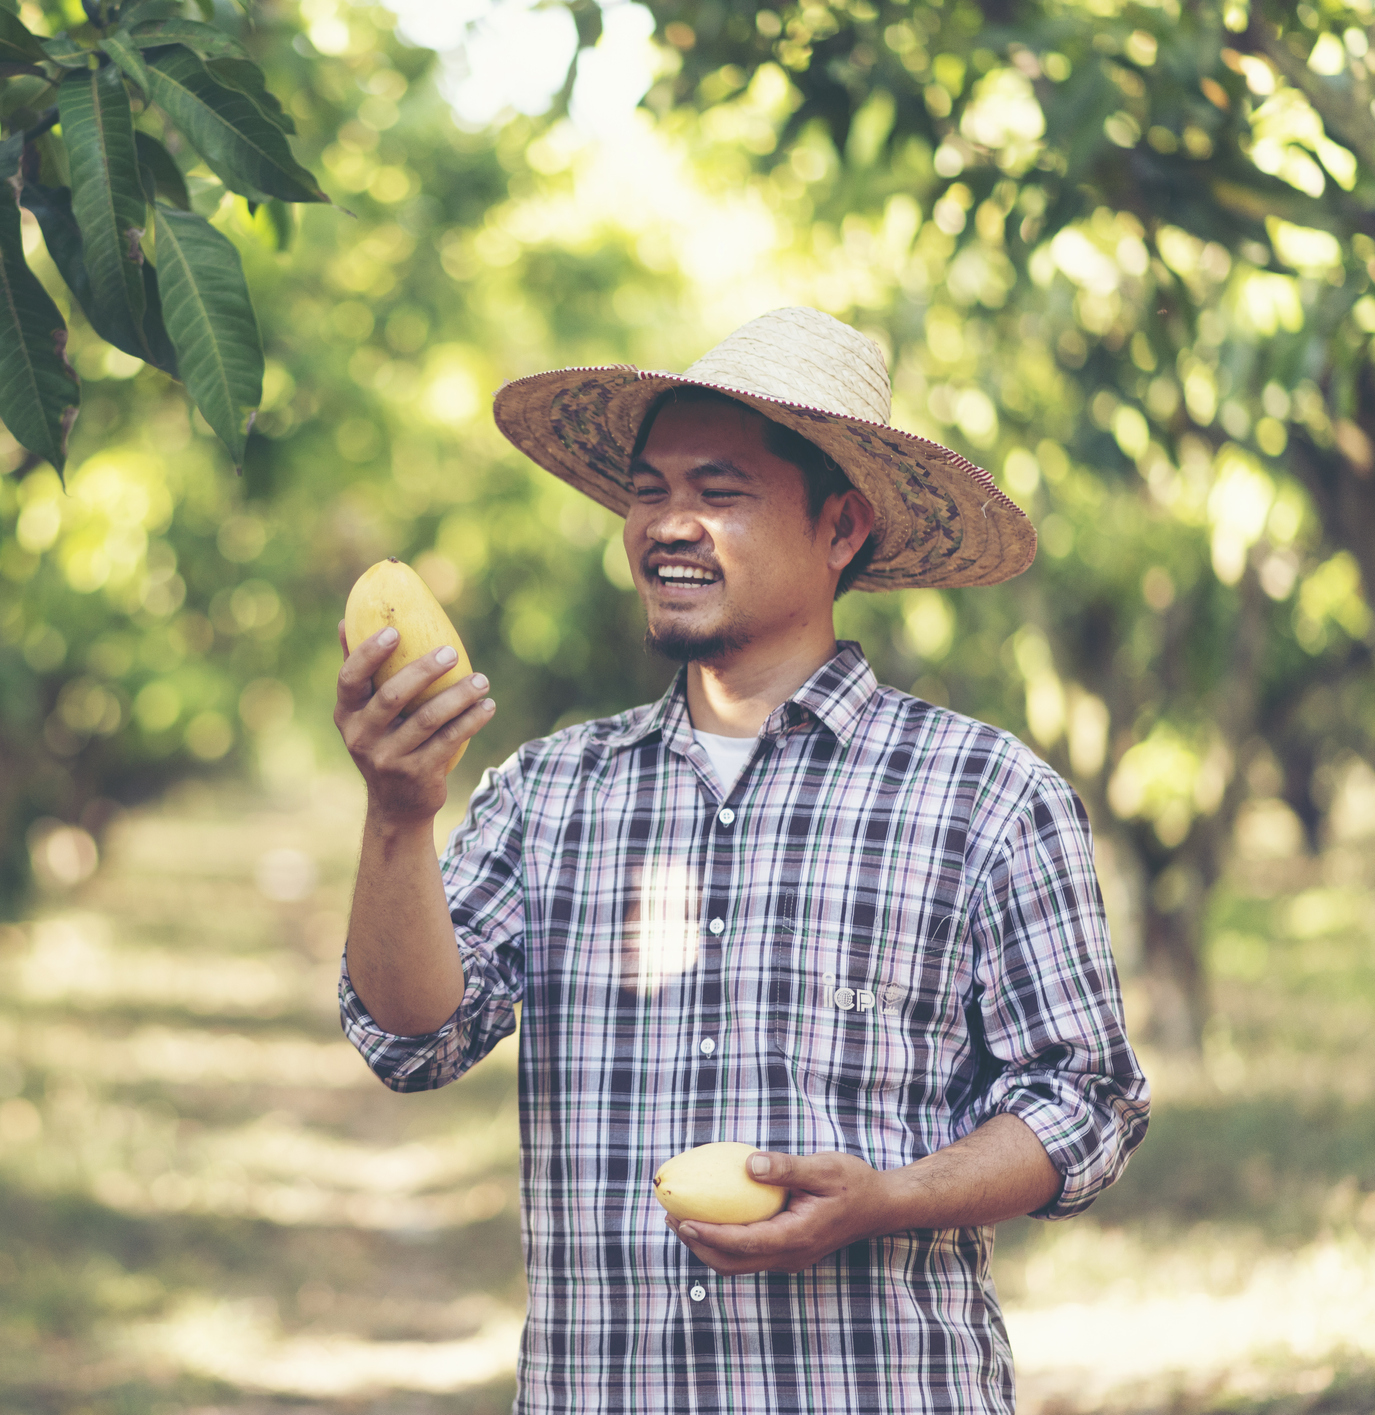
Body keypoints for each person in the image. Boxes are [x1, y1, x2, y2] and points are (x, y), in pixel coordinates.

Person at [330, 307, 1149, 1414]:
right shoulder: (549, 792)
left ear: (841, 528)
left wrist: (889, 1198)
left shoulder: (985, 795)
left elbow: (1083, 1101)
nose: (669, 524)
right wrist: (397, 814)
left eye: (719, 493)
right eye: (649, 490)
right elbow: (413, 1037)